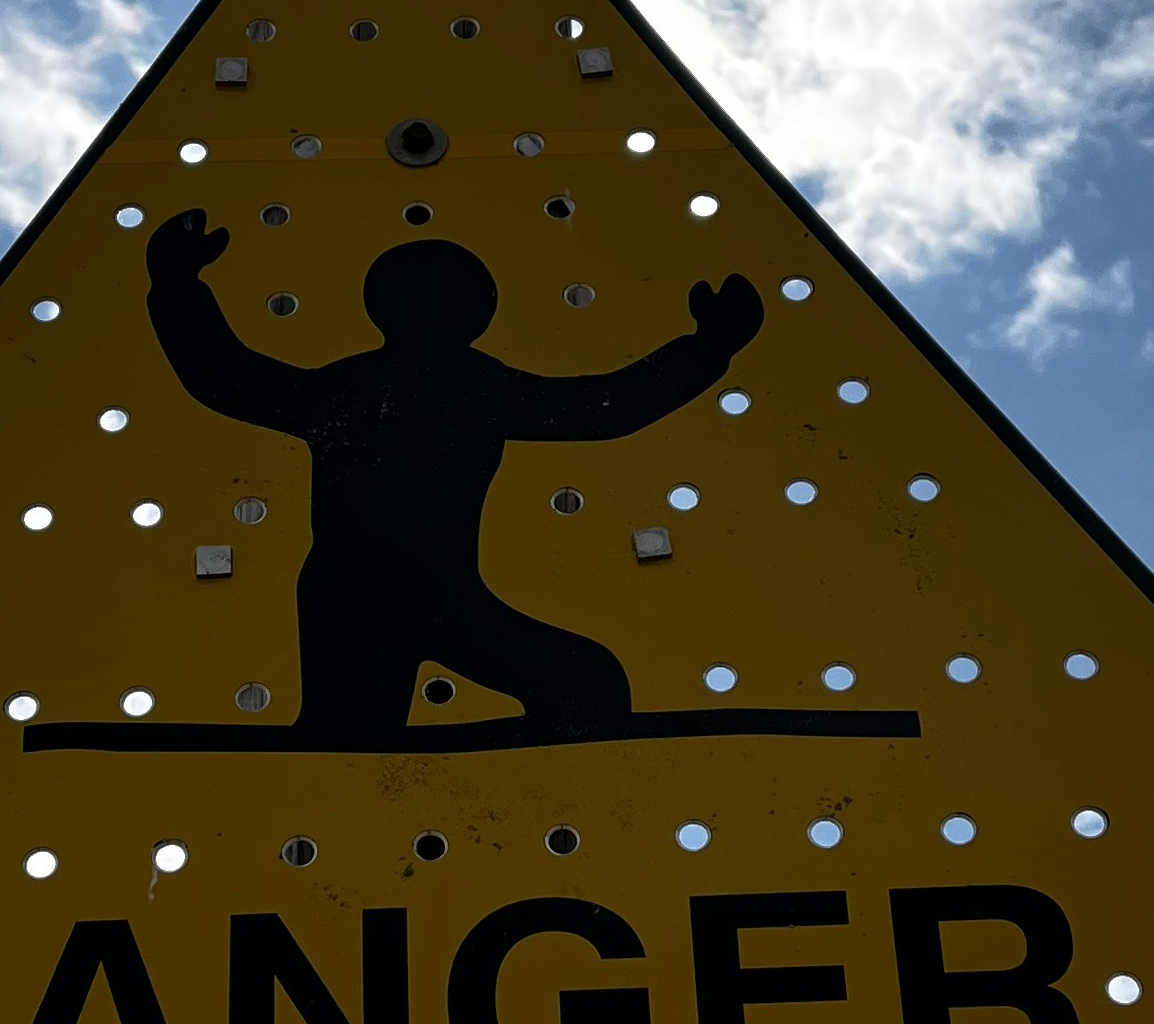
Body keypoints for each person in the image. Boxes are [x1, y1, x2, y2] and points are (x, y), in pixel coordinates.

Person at [145, 210, 760, 739]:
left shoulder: (426, 388)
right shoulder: (427, 389)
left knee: (582, 685)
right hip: (360, 597)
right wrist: (709, 348)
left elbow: (228, 378)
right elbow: (606, 407)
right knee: (365, 738)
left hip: (429, 595)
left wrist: (176, 283)